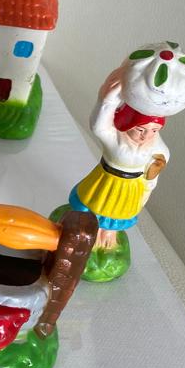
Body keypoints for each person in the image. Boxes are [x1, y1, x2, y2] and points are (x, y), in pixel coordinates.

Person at [68, 68, 168, 250]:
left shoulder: (157, 148)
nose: (146, 135)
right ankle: (91, 231)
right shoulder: (116, 139)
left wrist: (146, 191)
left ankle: (108, 237)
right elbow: (99, 127)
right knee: (95, 206)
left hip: (131, 188)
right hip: (106, 180)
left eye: (154, 130)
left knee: (118, 214)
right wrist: (107, 101)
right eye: (140, 129)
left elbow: (152, 176)